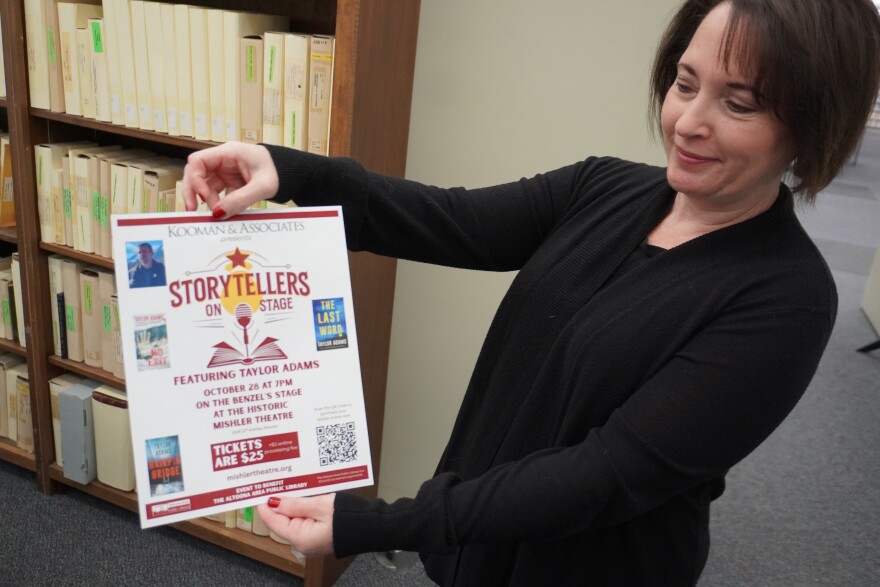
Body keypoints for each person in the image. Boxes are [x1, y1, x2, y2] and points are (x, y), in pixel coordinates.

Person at [180, 0, 880, 584]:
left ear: (809, 125)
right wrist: (290, 170)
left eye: (740, 102)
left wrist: (378, 522)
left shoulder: (787, 297)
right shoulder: (605, 185)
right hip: (476, 542)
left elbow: (607, 474)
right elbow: (449, 220)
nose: (690, 121)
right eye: (685, 83)